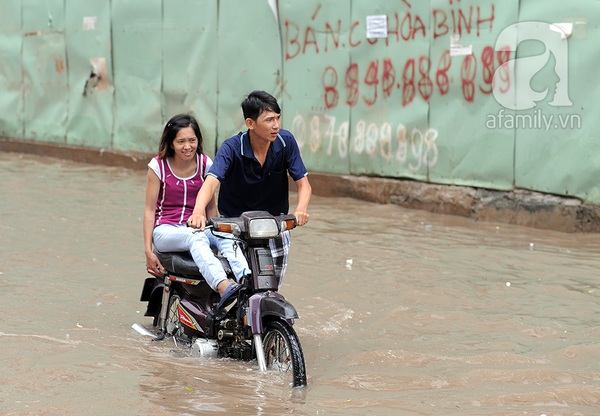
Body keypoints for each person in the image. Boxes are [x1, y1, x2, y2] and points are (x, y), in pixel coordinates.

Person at [188, 90, 312, 282]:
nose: (276, 125)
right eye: (269, 120)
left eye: (278, 118)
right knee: (241, 287)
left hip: (274, 226)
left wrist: (300, 210)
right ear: (250, 124)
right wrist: (198, 211)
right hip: (236, 227)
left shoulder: (285, 142)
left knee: (270, 288)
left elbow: (304, 186)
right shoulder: (231, 148)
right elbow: (211, 182)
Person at [143, 113, 249, 298]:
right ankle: (223, 286)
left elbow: (210, 207)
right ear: (171, 143)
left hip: (197, 227)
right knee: (196, 237)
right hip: (166, 230)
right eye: (181, 141)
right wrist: (147, 250)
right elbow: (149, 210)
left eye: (192, 140)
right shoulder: (158, 166)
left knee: (227, 233)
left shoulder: (205, 163)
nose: (187, 146)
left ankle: (246, 281)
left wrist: (216, 233)